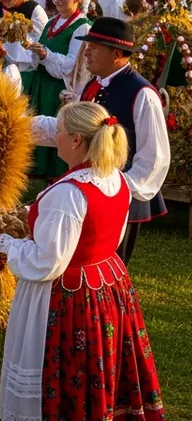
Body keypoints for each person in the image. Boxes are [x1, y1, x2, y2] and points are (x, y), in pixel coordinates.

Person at [0, 102, 168, 421]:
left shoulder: (68, 193)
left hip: (71, 298)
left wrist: (2, 242)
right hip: (106, 285)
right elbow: (111, 236)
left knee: (71, 377)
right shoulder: (116, 178)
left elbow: (46, 261)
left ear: (76, 140)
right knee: (92, 376)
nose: (55, 137)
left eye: (59, 131)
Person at [32, 18, 168, 264]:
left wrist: (117, 190)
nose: (86, 52)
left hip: (117, 201)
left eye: (94, 46)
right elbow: (73, 132)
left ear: (116, 53)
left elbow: (154, 157)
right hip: (88, 194)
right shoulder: (92, 85)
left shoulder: (142, 94)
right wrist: (22, 126)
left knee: (107, 268)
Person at [23, 0, 92, 177]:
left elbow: (72, 65)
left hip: (58, 88)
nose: (58, 0)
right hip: (42, 84)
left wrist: (46, 54)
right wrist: (33, 50)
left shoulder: (82, 27)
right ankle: (37, 174)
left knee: (58, 131)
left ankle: (56, 176)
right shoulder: (52, 22)